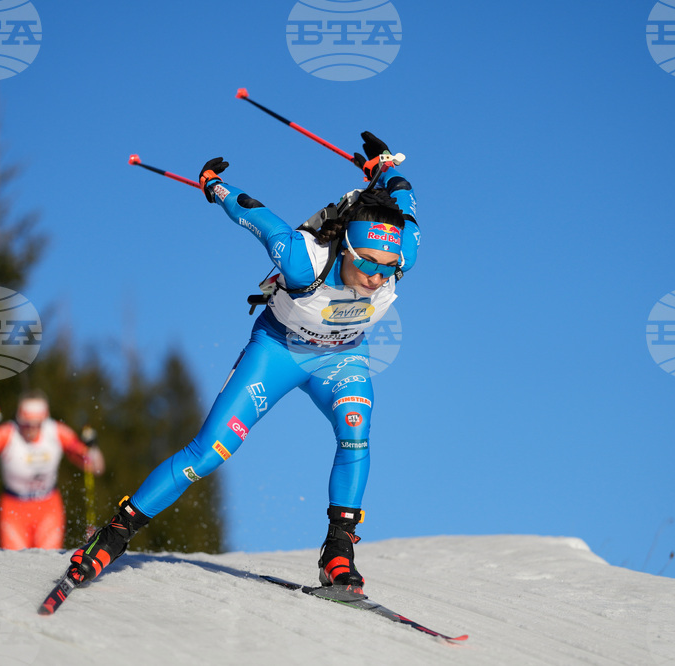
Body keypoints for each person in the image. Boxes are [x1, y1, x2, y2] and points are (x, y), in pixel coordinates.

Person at [66, 132, 419, 594]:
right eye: (368, 264)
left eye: (388, 268)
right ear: (347, 249)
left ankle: (338, 549)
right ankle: (114, 534)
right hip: (278, 351)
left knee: (356, 431)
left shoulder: (403, 253)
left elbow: (404, 196)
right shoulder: (303, 260)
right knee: (210, 453)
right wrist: (214, 185)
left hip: (342, 357)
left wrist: (384, 167)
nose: (377, 278)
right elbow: (254, 213)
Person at [0, 389, 106, 550]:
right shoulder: (8, 432)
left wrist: (92, 447)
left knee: (47, 559)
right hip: (13, 509)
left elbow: (96, 467)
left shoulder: (56, 431)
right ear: (19, 418)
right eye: (26, 424)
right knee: (14, 561)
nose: (31, 429)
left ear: (44, 419)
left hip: (48, 508)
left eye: (37, 424)